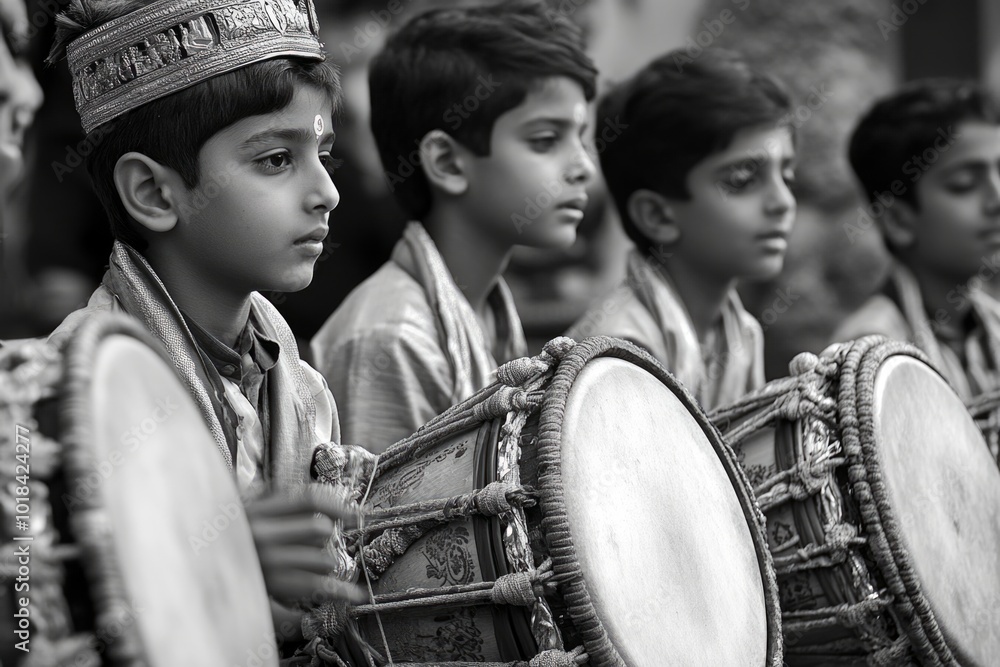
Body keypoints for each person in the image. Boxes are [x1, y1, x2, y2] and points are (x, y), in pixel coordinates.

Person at [45, 0, 365, 659]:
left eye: (323, 154)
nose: (326, 192)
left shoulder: (301, 389)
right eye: (277, 159)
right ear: (155, 193)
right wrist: (213, 558)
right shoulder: (57, 402)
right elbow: (28, 625)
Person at [311, 0, 598, 452]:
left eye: (580, 139)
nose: (583, 168)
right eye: (545, 140)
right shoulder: (392, 341)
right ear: (447, 162)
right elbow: (384, 521)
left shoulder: (486, 310)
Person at [567, 49, 797, 411]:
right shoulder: (616, 357)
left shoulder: (742, 334)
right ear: (657, 216)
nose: (783, 201)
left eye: (787, 175)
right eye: (742, 179)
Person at [831, 79, 1000, 400]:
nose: (997, 198)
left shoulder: (993, 326)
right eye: (964, 184)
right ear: (897, 220)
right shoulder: (869, 357)